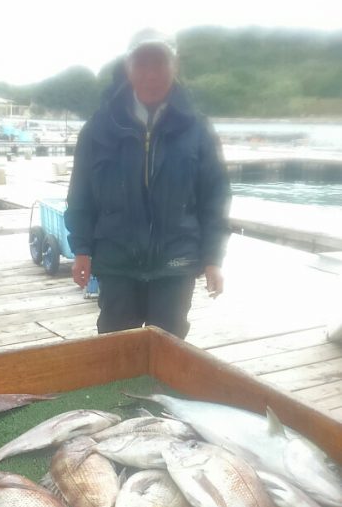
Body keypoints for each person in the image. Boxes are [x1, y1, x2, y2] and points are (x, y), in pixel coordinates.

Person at [64, 28, 231, 339]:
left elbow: (215, 198)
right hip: (116, 264)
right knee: (115, 353)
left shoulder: (198, 129)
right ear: (128, 67)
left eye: (160, 63)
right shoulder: (98, 128)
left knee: (168, 353)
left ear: (175, 65)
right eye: (142, 64)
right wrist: (82, 248)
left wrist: (213, 259)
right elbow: (81, 194)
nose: (151, 74)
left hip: (175, 266)